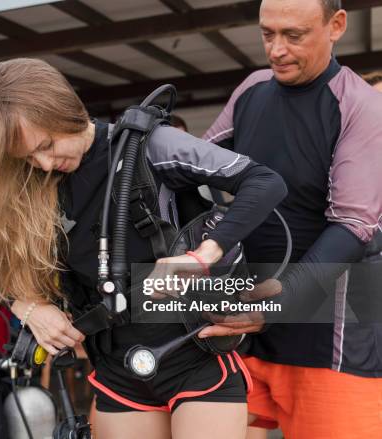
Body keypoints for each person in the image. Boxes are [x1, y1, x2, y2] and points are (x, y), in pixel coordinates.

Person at [0, 57, 287, 439]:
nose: (44, 163)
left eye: (47, 145)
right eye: (28, 158)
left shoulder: (150, 146)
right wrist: (30, 308)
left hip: (194, 356)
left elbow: (263, 182)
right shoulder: (33, 183)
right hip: (118, 370)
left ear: (64, 110)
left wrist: (203, 255)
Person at [201, 1, 382, 438]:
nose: (276, 50)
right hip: (251, 323)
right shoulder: (253, 88)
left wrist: (276, 304)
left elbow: (354, 226)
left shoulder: (362, 106)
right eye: (267, 34)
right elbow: (200, 163)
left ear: (336, 25)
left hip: (333, 334)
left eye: (293, 35)